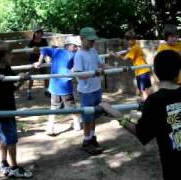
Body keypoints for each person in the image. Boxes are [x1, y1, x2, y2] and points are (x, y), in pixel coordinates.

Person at [99, 50, 181, 180]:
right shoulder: (154, 101)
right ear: (178, 71)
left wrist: (117, 115)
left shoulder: (155, 100)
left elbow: (141, 133)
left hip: (174, 168)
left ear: (156, 71)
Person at [0, 42, 33, 178]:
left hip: (10, 106)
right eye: (9, 54)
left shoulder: (8, 68)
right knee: (11, 138)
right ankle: (14, 167)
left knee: (5, 137)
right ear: (2, 56)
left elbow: (12, 88)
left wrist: (21, 80)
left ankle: (4, 163)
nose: (12, 56)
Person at [73, 27, 111, 155]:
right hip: (86, 91)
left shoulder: (93, 51)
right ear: (82, 39)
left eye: (93, 40)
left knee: (94, 116)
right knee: (87, 117)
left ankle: (92, 138)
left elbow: (101, 65)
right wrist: (94, 74)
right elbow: (79, 75)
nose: (92, 43)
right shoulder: (79, 55)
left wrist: (116, 69)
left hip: (97, 89)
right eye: (90, 40)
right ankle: (87, 141)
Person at [34, 36, 82, 136]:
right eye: (75, 46)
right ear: (69, 46)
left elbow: (44, 50)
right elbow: (76, 68)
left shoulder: (57, 51)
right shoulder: (73, 54)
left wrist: (39, 62)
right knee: (71, 106)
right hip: (63, 86)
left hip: (55, 85)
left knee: (54, 107)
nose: (77, 48)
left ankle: (50, 127)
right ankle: (77, 124)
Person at [110, 30, 152, 100]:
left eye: (132, 39)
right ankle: (146, 103)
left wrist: (113, 54)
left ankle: (146, 105)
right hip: (145, 70)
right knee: (145, 90)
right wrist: (128, 50)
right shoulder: (136, 46)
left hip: (141, 72)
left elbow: (125, 58)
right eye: (129, 39)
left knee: (143, 91)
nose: (131, 41)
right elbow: (132, 51)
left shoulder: (134, 48)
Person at [27, 27, 49, 100]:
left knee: (46, 76)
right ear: (35, 34)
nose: (38, 34)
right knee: (31, 77)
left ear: (42, 34)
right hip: (33, 61)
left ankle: (47, 90)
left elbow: (46, 50)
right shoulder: (31, 42)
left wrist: (39, 51)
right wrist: (32, 50)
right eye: (37, 33)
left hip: (42, 60)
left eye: (40, 33)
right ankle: (29, 92)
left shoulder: (44, 41)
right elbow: (27, 51)